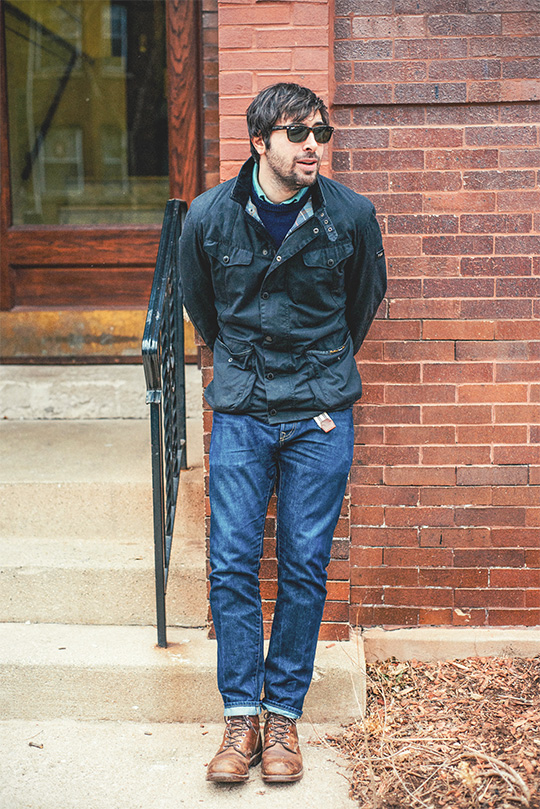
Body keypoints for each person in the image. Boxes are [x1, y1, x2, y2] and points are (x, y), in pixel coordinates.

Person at [179, 82, 386, 784]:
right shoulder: (209, 216)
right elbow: (199, 303)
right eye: (298, 134)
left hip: (320, 409)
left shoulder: (351, 215)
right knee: (233, 562)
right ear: (259, 142)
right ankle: (241, 715)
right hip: (240, 406)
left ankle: (283, 718)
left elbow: (364, 300)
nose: (312, 146)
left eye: (320, 134)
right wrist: (242, 363)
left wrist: (320, 364)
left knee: (303, 563)